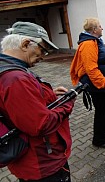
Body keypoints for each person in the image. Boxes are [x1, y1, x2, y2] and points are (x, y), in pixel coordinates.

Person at [0, 21, 75, 181]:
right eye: (42, 50)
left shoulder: (7, 68)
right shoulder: (16, 79)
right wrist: (67, 103)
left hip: (33, 161)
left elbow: (20, 105)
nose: (43, 56)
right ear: (26, 44)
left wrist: (44, 94)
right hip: (42, 163)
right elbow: (41, 125)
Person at [70, 18, 105, 148]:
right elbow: (91, 69)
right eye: (99, 26)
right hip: (97, 85)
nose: (102, 28)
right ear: (94, 30)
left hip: (104, 83)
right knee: (102, 111)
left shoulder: (96, 41)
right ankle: (99, 140)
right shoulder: (88, 44)